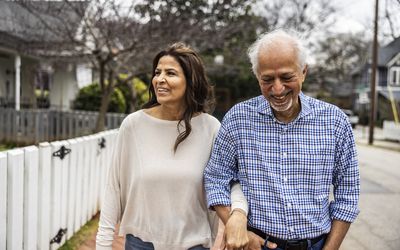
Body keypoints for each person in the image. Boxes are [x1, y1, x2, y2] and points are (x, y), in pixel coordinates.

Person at [204, 29, 360, 250]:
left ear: (303, 72)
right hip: (255, 244)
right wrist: (235, 224)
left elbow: (348, 196)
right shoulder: (238, 119)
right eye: (267, 79)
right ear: (257, 77)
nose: (277, 89)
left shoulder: (335, 122)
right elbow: (216, 179)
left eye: (287, 77)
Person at [96, 42, 248, 250]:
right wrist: (103, 245)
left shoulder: (210, 128)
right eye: (157, 72)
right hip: (141, 245)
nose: (160, 79)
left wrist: (238, 214)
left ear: (191, 81)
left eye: (170, 73)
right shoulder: (133, 125)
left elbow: (232, 181)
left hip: (194, 245)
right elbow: (114, 188)